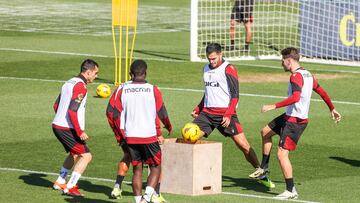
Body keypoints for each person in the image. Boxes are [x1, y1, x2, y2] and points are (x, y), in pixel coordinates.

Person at [249, 47, 342, 199]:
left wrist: (274, 105)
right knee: (265, 132)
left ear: (289, 61)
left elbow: (295, 97)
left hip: (295, 121)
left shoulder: (296, 77)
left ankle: (291, 190)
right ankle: (264, 168)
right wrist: (332, 108)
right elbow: (322, 91)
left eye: (282, 61)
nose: (281, 64)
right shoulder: (308, 74)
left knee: (282, 154)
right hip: (289, 116)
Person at [192, 43, 274, 188]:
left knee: (243, 145)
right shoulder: (205, 69)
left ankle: (260, 172)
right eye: (209, 59)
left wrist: (228, 114)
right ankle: (189, 173)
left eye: (214, 58)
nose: (211, 61)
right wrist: (199, 108)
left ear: (220, 54)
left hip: (226, 114)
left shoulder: (228, 69)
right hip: (207, 114)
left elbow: (235, 95)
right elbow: (208, 92)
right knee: (189, 137)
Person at [111, 59, 172, 203]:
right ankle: (146, 199)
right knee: (155, 167)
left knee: (137, 170)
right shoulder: (152, 89)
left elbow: (112, 113)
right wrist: (168, 126)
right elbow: (162, 112)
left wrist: (120, 134)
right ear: (145, 73)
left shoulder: (122, 89)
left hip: (130, 137)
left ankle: (138, 201)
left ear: (130, 73)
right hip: (149, 136)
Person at [52, 59, 99, 196]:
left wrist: (61, 119)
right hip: (67, 128)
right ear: (88, 72)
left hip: (58, 125)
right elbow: (72, 111)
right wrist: (79, 131)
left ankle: (60, 181)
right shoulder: (80, 87)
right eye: (95, 73)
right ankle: (71, 186)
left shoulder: (69, 82)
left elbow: (56, 105)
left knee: (74, 153)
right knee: (86, 156)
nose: (96, 76)